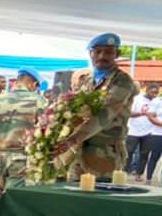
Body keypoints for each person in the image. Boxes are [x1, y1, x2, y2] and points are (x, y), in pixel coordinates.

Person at [57, 33, 137, 178]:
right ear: (90, 54)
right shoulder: (86, 80)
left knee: (98, 191)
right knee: (72, 190)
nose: (102, 56)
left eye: (108, 52)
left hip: (104, 153)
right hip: (78, 151)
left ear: (117, 54)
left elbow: (105, 114)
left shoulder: (122, 81)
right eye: (97, 51)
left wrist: (73, 139)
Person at [0, 67, 43, 201]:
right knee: (16, 202)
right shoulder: (38, 101)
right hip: (22, 159)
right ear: (34, 84)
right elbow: (46, 130)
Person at [128, 85, 156, 177]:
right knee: (129, 151)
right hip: (133, 130)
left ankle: (139, 173)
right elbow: (129, 113)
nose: (154, 95)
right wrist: (143, 113)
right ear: (147, 90)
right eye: (152, 92)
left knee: (144, 154)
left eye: (156, 93)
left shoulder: (156, 102)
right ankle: (125, 171)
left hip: (149, 131)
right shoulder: (137, 99)